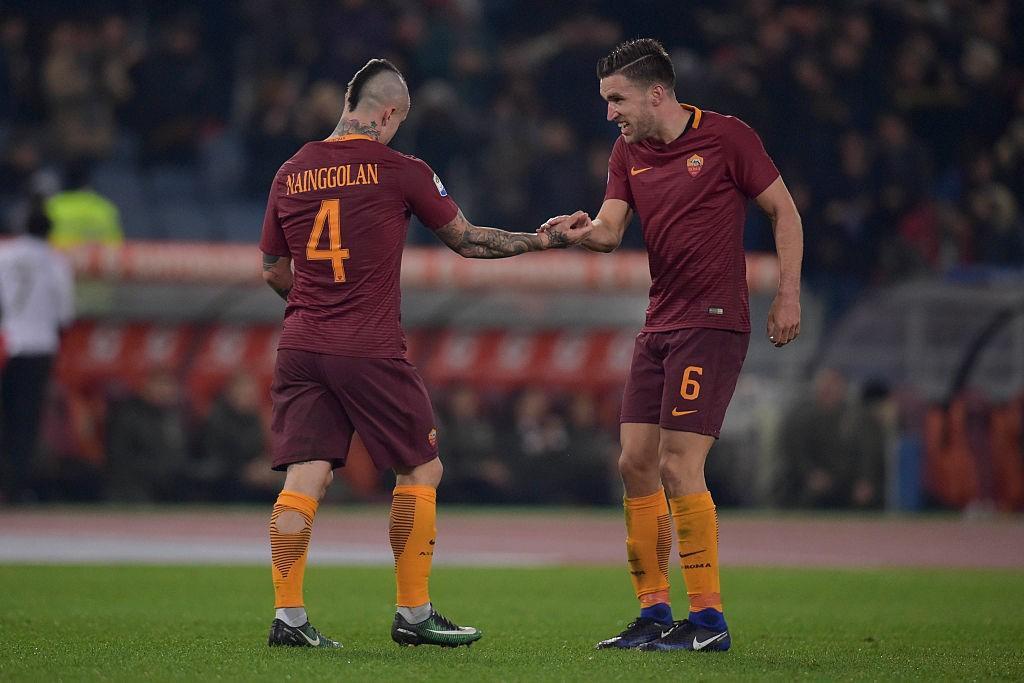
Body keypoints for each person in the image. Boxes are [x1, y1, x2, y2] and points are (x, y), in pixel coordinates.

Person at [258, 58, 590, 649]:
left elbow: (273, 269)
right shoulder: (400, 169)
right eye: (398, 122)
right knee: (421, 468)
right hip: (368, 344)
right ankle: (413, 614)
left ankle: (289, 618)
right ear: (387, 114)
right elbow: (468, 240)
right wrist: (543, 239)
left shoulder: (291, 170)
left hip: (301, 342)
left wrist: (315, 301)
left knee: (304, 478)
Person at [544, 39, 802, 652]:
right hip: (659, 321)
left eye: (617, 99)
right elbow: (610, 232)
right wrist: (578, 233)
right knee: (633, 463)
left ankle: (709, 622)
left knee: (679, 464)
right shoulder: (626, 150)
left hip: (713, 321)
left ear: (657, 92)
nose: (610, 113)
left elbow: (783, 212)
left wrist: (787, 295)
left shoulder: (727, 138)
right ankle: (654, 614)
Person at [0, 196, 75, 503]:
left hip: (5, 343)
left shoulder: (4, 254)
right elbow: (65, 314)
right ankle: (12, 488)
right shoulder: (55, 261)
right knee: (24, 422)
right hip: (38, 347)